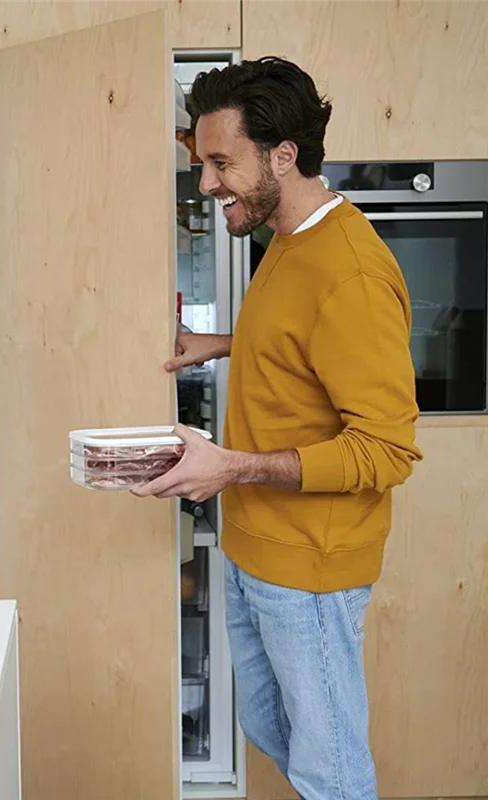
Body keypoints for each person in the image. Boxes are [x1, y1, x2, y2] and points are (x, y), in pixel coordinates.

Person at [133, 57, 422, 799]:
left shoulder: (350, 270)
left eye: (220, 162)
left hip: (311, 569)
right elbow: (304, 345)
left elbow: (386, 450)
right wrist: (223, 343)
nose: (205, 184)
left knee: (332, 774)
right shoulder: (288, 242)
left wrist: (231, 467)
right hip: (255, 549)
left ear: (283, 155)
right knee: (273, 731)